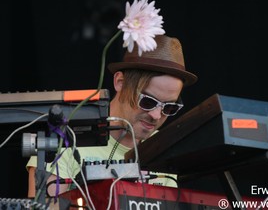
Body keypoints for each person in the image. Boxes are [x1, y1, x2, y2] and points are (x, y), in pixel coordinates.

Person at [26, 34, 198, 198]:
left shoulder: (164, 146)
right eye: (147, 101)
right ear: (120, 83)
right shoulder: (65, 135)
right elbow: (46, 206)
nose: (155, 115)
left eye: (168, 107)